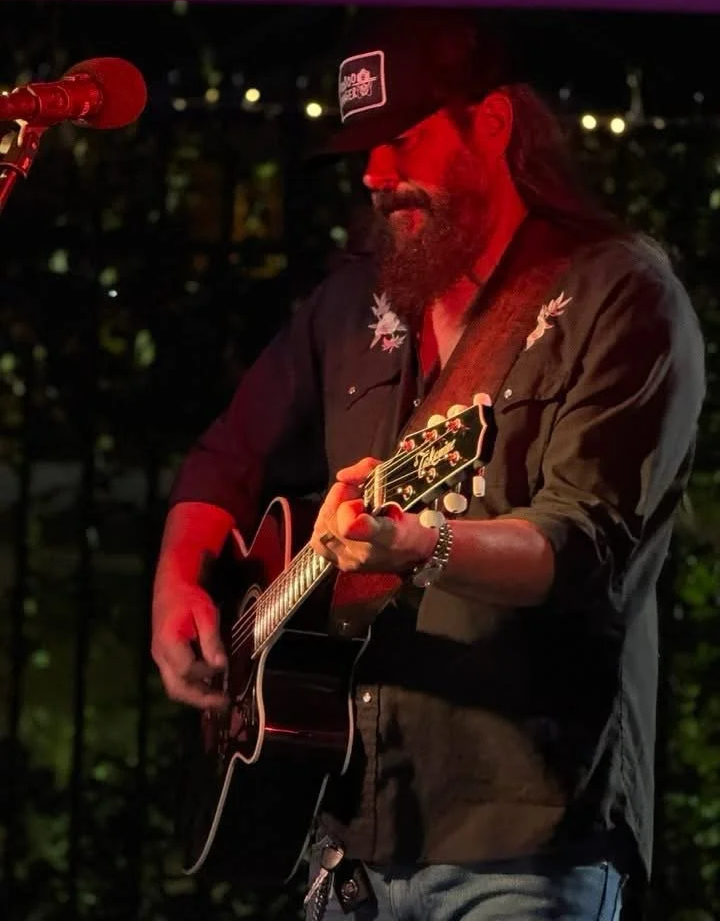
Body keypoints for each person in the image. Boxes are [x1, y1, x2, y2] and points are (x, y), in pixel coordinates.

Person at [151, 8, 705, 921]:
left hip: (522, 842)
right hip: (348, 842)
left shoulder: (618, 293)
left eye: (401, 139)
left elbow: (589, 548)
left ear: (491, 125)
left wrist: (419, 540)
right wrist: (178, 585)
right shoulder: (353, 300)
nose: (374, 175)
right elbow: (225, 454)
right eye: (364, 154)